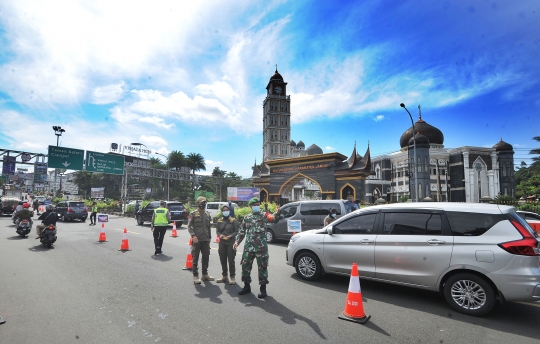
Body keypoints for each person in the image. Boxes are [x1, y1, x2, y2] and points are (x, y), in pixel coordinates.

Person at [233, 197, 279, 298]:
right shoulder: (247, 217)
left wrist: (277, 213)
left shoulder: (264, 215)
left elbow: (274, 219)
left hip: (261, 249)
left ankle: (263, 289)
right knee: (245, 267)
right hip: (248, 248)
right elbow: (241, 232)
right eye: (254, 205)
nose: (256, 206)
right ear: (250, 206)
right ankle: (246, 286)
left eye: (257, 204)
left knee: (262, 268)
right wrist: (237, 242)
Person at [187, 196, 214, 284]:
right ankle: (195, 275)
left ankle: (204, 274)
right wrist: (193, 235)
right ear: (198, 203)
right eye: (201, 203)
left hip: (206, 239)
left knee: (206, 257)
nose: (203, 204)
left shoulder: (207, 214)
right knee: (196, 257)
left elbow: (208, 227)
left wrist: (209, 237)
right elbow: (189, 226)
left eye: (204, 203)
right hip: (197, 240)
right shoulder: (193, 214)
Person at [216, 205, 239, 284]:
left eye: (227, 210)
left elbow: (236, 231)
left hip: (230, 242)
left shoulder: (233, 220)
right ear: (222, 211)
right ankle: (224, 276)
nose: (225, 211)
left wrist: (230, 236)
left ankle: (232, 277)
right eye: (224, 210)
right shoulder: (219, 220)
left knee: (231, 260)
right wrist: (220, 235)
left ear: (229, 211)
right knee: (223, 259)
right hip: (222, 242)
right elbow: (217, 231)